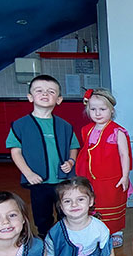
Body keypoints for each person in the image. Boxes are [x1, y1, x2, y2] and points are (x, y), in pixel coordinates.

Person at [6, 75, 79, 237]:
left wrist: (71, 161)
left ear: (59, 99)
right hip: (38, 181)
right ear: (30, 97)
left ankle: (66, 238)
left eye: (51, 91)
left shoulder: (65, 126)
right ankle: (45, 239)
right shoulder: (20, 125)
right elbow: (16, 152)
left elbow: (73, 146)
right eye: (39, 91)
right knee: (42, 215)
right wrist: (28, 174)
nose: (45, 94)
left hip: (62, 180)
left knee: (66, 212)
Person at [75, 88, 132, 248]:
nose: (98, 113)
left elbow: (124, 155)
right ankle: (97, 231)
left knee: (113, 202)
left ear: (111, 110)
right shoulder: (87, 130)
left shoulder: (117, 131)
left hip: (112, 177)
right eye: (93, 109)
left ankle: (116, 232)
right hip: (92, 177)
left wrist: (125, 176)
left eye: (102, 109)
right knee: (95, 204)